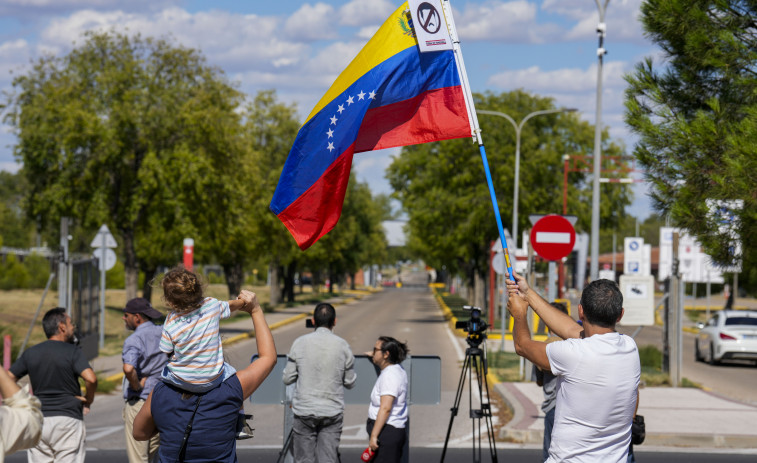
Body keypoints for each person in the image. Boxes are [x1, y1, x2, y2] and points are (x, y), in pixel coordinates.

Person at [507, 274, 640, 463]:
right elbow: (570, 330)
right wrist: (528, 294)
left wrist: (519, 314)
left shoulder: (573, 354)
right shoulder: (630, 348)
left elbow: (522, 346)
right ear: (620, 314)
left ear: (581, 311)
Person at [132, 289, 276, 463]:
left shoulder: (161, 392)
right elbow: (268, 358)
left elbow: (139, 433)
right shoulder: (232, 388)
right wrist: (255, 311)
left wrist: (168, 425)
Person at [157, 267, 252, 438]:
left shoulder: (171, 319)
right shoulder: (211, 305)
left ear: (170, 300)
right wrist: (243, 302)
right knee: (231, 373)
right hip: (212, 378)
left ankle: (161, 415)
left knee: (163, 374)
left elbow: (165, 350)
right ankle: (240, 421)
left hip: (181, 379)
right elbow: (232, 305)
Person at [9, 307, 97, 463]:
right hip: (67, 420)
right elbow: (91, 379)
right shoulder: (73, 351)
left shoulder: (31, 352)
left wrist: (22, 401)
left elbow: (8, 378)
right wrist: (88, 399)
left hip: (39, 421)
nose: (73, 328)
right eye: (71, 324)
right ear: (62, 327)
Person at [282, 302, 357, 463]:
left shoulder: (299, 343)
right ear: (334, 321)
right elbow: (350, 382)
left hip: (304, 411)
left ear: (313, 321)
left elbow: (287, 378)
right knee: (328, 459)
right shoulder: (343, 346)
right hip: (332, 412)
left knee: (303, 460)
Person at [121, 297, 169, 463]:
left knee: (138, 458)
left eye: (126, 315)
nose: (123, 318)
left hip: (140, 403)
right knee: (153, 456)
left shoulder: (134, 340)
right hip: (161, 401)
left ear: (137, 317)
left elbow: (128, 368)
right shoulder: (163, 332)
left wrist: (136, 386)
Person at [531, 301, 570, 462]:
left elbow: (539, 381)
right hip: (570, 407)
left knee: (550, 455)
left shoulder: (543, 348)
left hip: (552, 408)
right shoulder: (574, 345)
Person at [365, 336, 409, 463]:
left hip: (386, 433)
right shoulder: (395, 369)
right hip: (387, 432)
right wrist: (374, 356)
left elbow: (385, 408)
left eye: (375, 349)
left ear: (386, 354)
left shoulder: (390, 376)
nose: (373, 352)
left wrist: (374, 436)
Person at [0, 365, 43, 460]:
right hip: (69, 417)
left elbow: (10, 376)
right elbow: (30, 418)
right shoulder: (73, 354)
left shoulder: (29, 355)